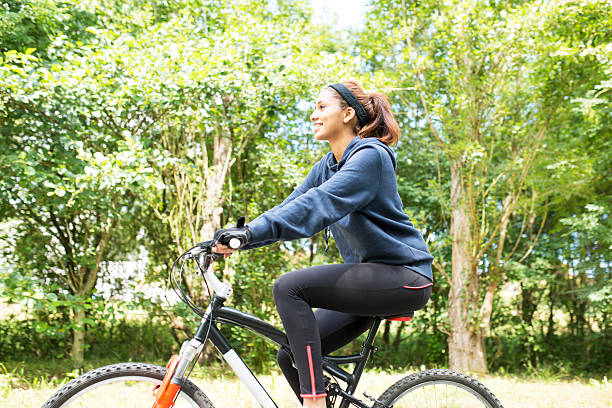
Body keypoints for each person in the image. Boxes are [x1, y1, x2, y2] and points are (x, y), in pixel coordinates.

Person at [212, 80, 434, 408]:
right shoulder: (327, 166)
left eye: (321, 107)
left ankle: (313, 403)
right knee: (292, 355)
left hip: (403, 276)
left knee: (289, 287)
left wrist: (250, 234)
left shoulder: (371, 157)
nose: (313, 115)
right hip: (369, 280)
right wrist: (239, 238)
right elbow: (290, 208)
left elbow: (319, 204)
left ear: (347, 114)